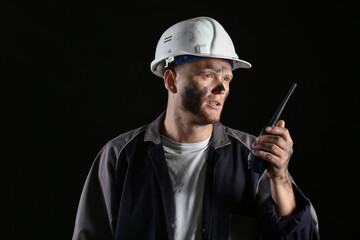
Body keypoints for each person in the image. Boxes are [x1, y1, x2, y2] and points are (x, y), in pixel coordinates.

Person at [72, 16, 320, 240]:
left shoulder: (254, 157)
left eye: (226, 78)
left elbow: (301, 237)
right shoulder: (119, 157)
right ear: (171, 80)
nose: (221, 89)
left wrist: (280, 177)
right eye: (208, 75)